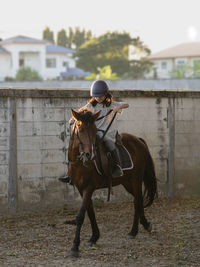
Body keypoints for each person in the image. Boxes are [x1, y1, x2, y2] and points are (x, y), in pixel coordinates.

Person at [59, 80, 129, 183]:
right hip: (95, 132)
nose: (98, 98)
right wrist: (73, 118)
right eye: (96, 96)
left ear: (106, 95)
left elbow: (126, 104)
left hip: (107, 131)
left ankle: (117, 166)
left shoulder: (111, 105)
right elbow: (80, 111)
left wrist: (118, 107)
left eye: (100, 96)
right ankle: (70, 173)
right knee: (74, 145)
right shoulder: (91, 106)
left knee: (109, 143)